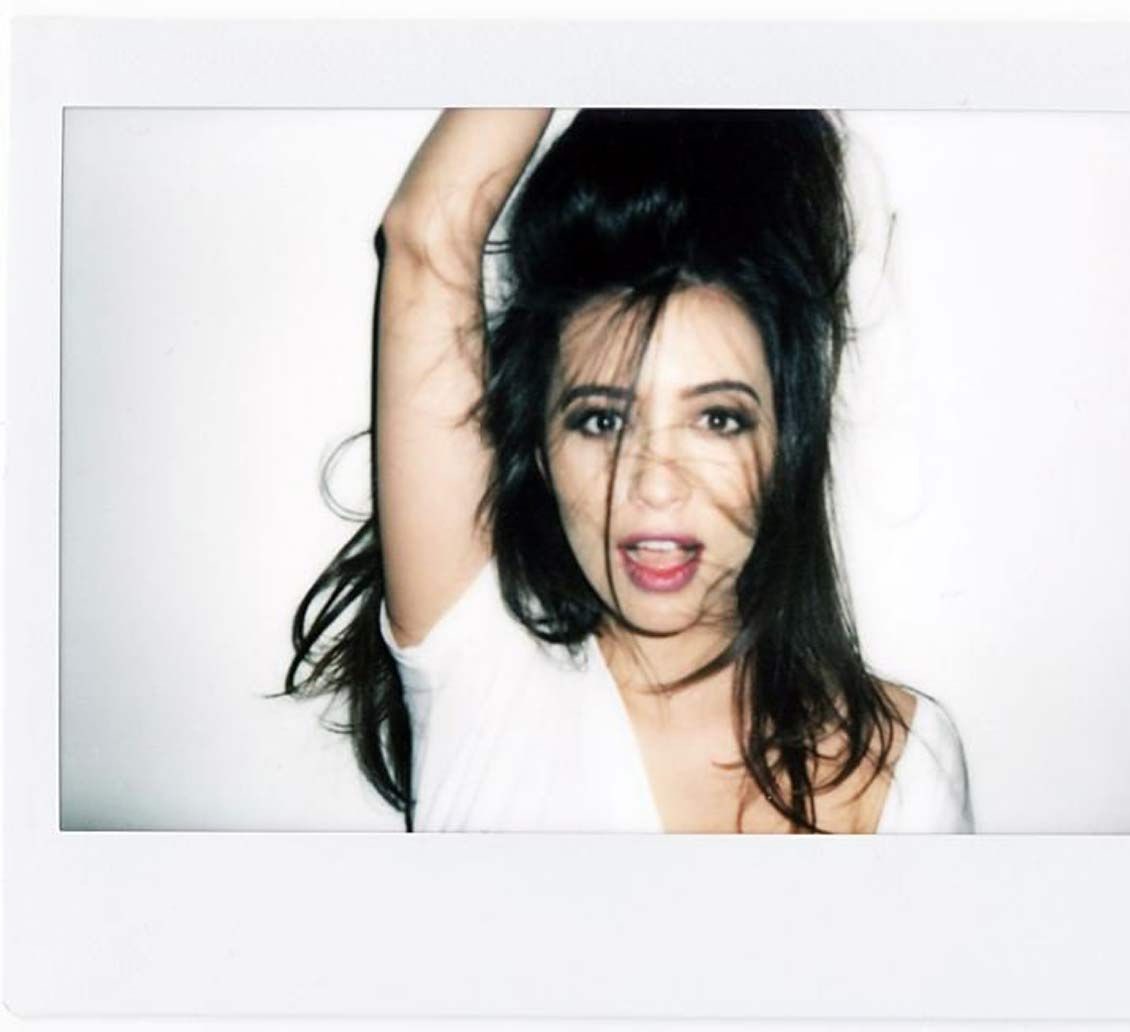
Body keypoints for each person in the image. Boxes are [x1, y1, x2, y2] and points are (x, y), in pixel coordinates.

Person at [286, 108, 974, 834]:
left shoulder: (906, 764)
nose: (655, 483)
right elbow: (428, 237)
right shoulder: (480, 659)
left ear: (785, 445)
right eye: (602, 420)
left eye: (717, 419)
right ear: (542, 452)